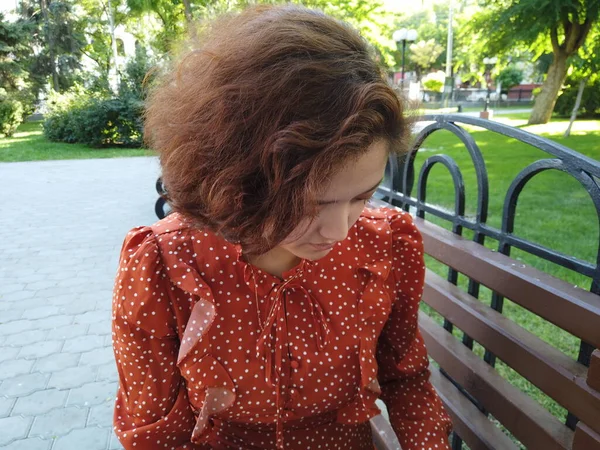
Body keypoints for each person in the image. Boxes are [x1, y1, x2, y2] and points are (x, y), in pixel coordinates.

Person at [111, 4, 452, 450]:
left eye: (362, 196)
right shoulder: (163, 266)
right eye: (308, 204)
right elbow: (155, 433)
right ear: (236, 179)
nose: (338, 230)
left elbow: (405, 378)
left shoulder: (385, 245)